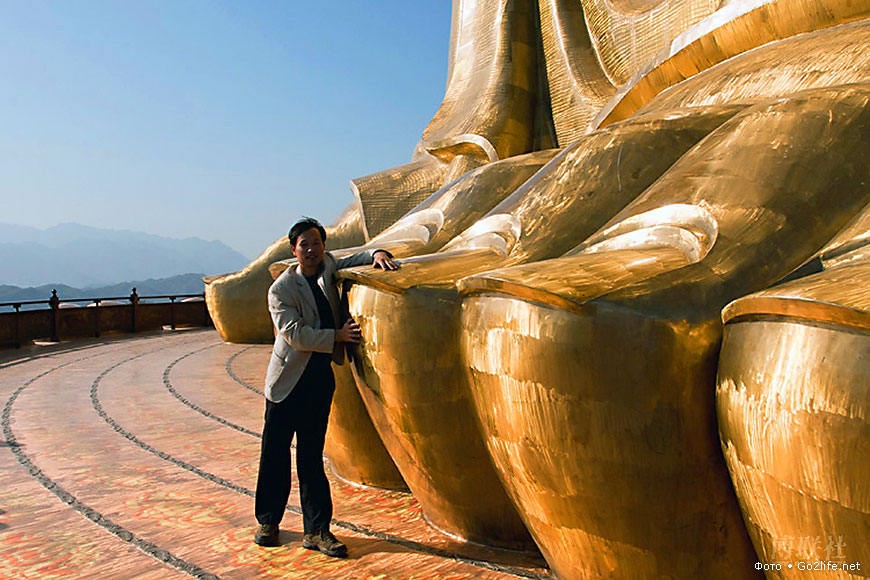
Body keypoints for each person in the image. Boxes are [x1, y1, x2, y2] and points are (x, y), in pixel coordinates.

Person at [253, 217, 398, 556]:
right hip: (287, 384)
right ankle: (268, 521)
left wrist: (378, 253)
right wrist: (337, 336)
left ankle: (317, 531)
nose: (312, 249)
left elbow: (354, 259)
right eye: (304, 244)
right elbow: (295, 335)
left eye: (316, 243)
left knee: (310, 458)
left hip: (318, 381)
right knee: (274, 455)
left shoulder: (328, 266)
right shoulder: (281, 290)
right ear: (294, 250)